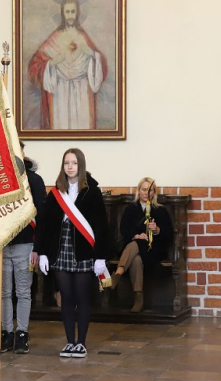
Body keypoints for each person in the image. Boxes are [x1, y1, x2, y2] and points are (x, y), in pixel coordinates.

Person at [34, 149, 111, 358]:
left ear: (81, 166)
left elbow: (101, 226)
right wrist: (41, 252)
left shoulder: (92, 192)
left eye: (74, 163)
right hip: (61, 251)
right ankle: (69, 342)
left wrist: (101, 256)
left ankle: (82, 343)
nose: (70, 167)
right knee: (66, 297)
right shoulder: (56, 193)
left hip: (84, 252)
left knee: (82, 297)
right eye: (67, 163)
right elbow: (45, 225)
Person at [0, 142, 46, 354]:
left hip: (26, 245)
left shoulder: (34, 181)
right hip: (1, 246)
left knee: (23, 292)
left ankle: (22, 333)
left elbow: (41, 216)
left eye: (18, 150)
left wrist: (38, 247)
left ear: (23, 153)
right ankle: (6, 333)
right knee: (3, 292)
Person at [27, 0, 107, 130]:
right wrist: (52, 63)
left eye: (73, 12)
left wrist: (93, 54)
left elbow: (101, 65)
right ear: (62, 13)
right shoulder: (54, 38)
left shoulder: (83, 37)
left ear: (78, 13)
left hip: (82, 90)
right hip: (60, 92)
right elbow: (34, 66)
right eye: (67, 12)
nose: (70, 16)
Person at [111, 177, 173, 313]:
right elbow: (124, 229)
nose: (147, 193)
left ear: (154, 193)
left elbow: (168, 234)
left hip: (153, 248)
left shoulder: (160, 210)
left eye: (150, 190)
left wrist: (157, 230)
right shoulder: (131, 208)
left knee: (139, 245)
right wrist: (136, 235)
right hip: (134, 248)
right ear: (139, 191)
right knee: (136, 259)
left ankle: (118, 273)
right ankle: (138, 297)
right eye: (144, 189)